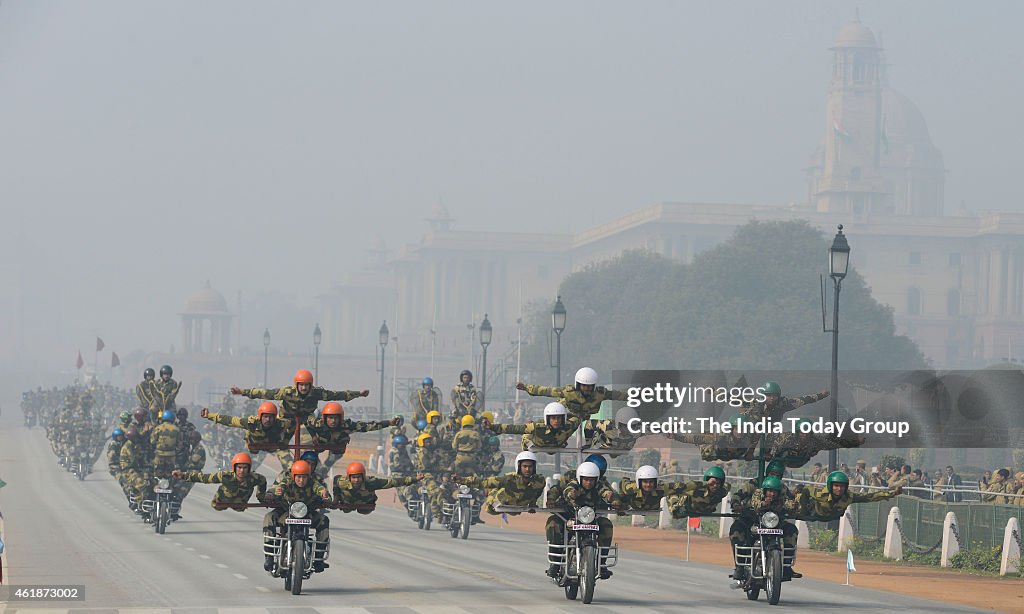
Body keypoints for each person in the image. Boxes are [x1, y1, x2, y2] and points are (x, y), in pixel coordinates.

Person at [545, 461, 619, 579]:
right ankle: (555, 563)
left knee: (606, 524)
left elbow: (606, 492)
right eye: (586, 479)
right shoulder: (573, 482)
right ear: (580, 478)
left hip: (591, 516)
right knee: (553, 523)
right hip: (568, 514)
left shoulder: (600, 484)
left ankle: (602, 564)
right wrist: (562, 497)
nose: (589, 482)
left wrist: (613, 500)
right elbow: (567, 490)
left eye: (591, 480)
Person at [262, 460, 332, 572]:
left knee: (324, 520)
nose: (301, 480)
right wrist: (274, 493)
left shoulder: (312, 483)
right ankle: (269, 557)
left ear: (308, 477)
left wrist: (325, 495)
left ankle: (319, 559)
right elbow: (279, 487)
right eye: (298, 477)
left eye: (304, 477)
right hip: (286, 511)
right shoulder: (287, 481)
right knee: (268, 518)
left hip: (306, 513)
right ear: (293, 476)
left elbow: (319, 489)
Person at [730, 476, 800, 583]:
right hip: (756, 521)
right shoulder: (758, 492)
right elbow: (755, 502)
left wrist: (794, 505)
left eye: (774, 492)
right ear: (765, 490)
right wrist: (763, 504)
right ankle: (740, 566)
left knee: (792, 529)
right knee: (738, 530)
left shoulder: (781, 496)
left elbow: (789, 503)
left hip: (774, 523)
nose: (772, 494)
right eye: (770, 491)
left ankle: (786, 565)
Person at [230, 369, 369, 423]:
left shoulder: (316, 393)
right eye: (301, 385)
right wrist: (242, 391)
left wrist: (359, 394)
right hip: (286, 417)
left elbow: (338, 395)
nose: (304, 388)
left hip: (306, 417)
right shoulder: (286, 392)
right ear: (296, 385)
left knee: (317, 425)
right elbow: (264, 393)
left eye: (306, 385)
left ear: (310, 385)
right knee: (279, 431)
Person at [304, 402, 399, 479]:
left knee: (327, 465)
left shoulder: (347, 426)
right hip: (319, 446)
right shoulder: (319, 424)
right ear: (325, 418)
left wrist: (389, 423)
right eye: (330, 418)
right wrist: (313, 436)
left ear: (340, 418)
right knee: (310, 456)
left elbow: (368, 426)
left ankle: (322, 473)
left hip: (336, 449)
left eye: (335, 418)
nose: (333, 421)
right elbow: (305, 420)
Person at [517, 367, 628, 420]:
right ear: (578, 385)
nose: (586, 389)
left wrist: (636, 395)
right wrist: (527, 387)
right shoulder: (569, 392)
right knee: (559, 412)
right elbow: (547, 391)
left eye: (589, 387)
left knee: (592, 425)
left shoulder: (600, 393)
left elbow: (618, 395)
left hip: (585, 416)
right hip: (568, 415)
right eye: (583, 386)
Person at [172, 451, 268, 511]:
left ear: (249, 468)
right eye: (239, 467)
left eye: (245, 468)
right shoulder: (225, 476)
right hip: (220, 503)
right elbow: (204, 478)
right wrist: (183, 475)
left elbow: (263, 481)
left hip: (239, 505)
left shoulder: (255, 478)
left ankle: (237, 504)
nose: (242, 471)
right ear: (234, 467)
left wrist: (261, 497)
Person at [460, 451, 546, 514]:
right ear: (519, 467)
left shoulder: (540, 481)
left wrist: (532, 504)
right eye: (525, 466)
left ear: (534, 467)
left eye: (530, 466)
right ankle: (492, 494)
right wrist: (463, 480)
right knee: (490, 506)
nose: (527, 469)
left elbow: (537, 493)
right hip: (496, 504)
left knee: (514, 513)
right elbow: (485, 482)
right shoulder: (509, 479)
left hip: (516, 508)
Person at [795, 471, 902, 521]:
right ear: (830, 485)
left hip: (829, 517)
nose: (839, 489)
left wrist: (892, 493)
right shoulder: (820, 494)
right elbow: (806, 490)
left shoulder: (849, 497)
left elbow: (870, 497)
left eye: (842, 486)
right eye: (836, 486)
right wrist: (803, 510)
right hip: (811, 512)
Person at [333, 461, 423, 514]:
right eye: (353, 478)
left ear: (363, 477)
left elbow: (392, 482)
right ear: (349, 477)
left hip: (366, 504)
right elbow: (335, 479)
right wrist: (336, 499)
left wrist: (414, 479)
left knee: (363, 511)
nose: (356, 480)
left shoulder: (371, 483)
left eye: (359, 477)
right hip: (347, 502)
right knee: (346, 509)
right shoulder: (342, 482)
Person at [741, 381, 828, 422]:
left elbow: (804, 400)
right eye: (769, 396)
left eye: (774, 396)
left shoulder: (784, 404)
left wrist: (821, 395)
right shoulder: (756, 402)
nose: (772, 398)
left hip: (771, 429)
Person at [664, 466, 731, 517]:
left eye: (718, 484)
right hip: (685, 509)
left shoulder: (721, 492)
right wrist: (706, 483)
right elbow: (687, 486)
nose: (715, 486)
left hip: (703, 510)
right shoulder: (698, 490)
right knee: (675, 495)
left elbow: (727, 485)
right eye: (712, 483)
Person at [150, 410, 182, 478]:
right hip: (171, 456)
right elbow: (179, 445)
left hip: (159, 455)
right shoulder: (177, 429)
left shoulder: (158, 428)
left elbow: (152, 441)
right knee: (169, 475)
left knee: (157, 475)